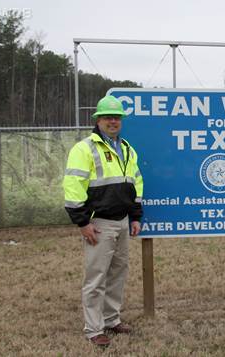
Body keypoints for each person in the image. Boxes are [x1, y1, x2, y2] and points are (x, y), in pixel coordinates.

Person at [63, 95, 143, 346]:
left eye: (117, 117)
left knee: (118, 274)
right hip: (98, 223)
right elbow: (73, 185)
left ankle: (111, 319)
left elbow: (135, 183)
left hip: (121, 221)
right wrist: (82, 221)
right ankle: (94, 329)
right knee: (96, 278)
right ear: (97, 120)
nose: (113, 121)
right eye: (108, 117)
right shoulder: (84, 148)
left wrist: (135, 216)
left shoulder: (127, 148)